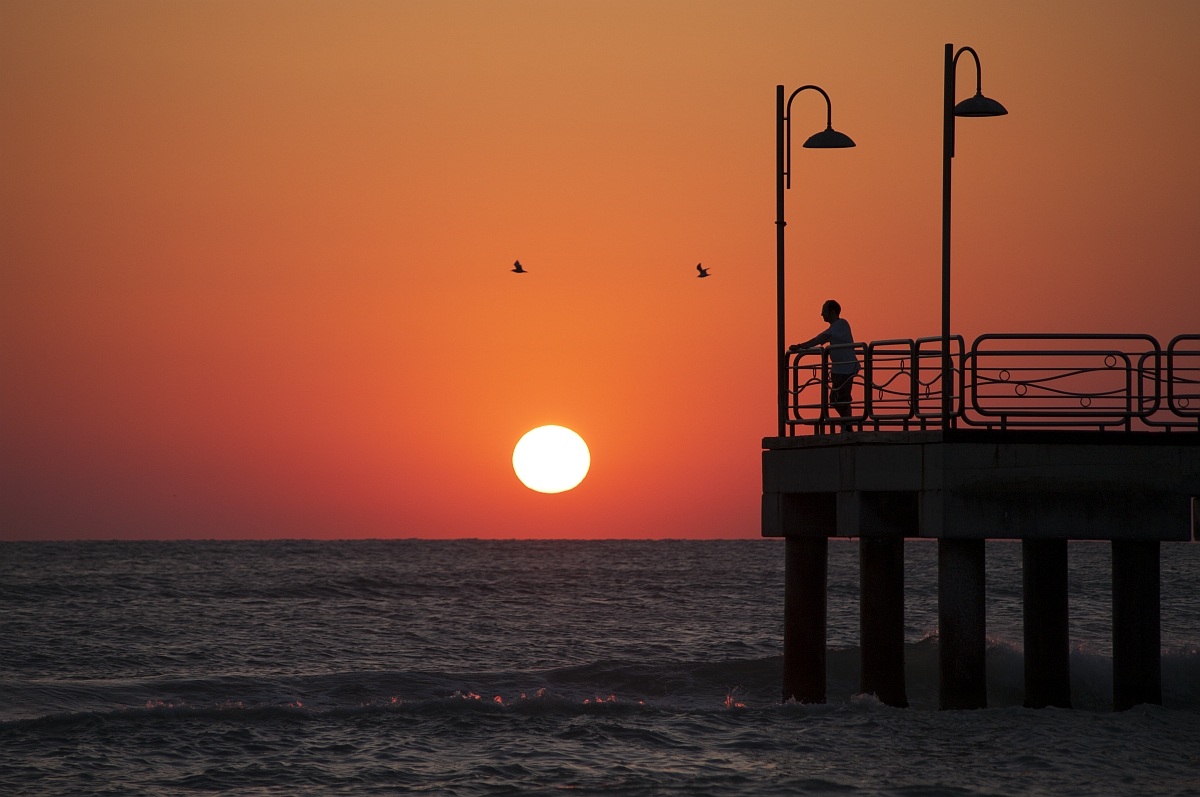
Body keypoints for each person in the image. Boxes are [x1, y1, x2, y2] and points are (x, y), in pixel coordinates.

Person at [788, 299, 859, 432]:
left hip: (846, 368)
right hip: (839, 368)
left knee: (842, 398)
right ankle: (847, 423)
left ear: (832, 312)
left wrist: (800, 346)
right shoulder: (836, 326)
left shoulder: (841, 324)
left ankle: (848, 425)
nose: (821, 314)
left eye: (824, 311)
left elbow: (820, 338)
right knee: (834, 399)